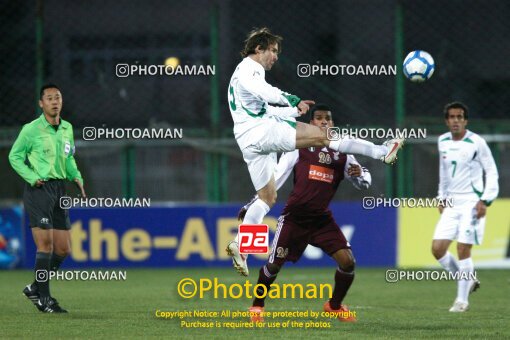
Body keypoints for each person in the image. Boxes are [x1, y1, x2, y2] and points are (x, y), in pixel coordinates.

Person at [226, 27, 404, 276]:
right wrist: (291, 99)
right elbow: (263, 91)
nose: (276, 56)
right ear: (259, 48)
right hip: (262, 132)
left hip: (248, 138)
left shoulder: (238, 76)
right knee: (323, 136)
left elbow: (261, 108)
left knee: (266, 197)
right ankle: (382, 152)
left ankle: (242, 249)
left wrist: (291, 111)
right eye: (274, 51)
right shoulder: (249, 67)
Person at [237, 104, 368, 322]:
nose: (324, 121)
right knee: (274, 264)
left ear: (332, 123)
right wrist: (254, 202)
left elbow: (363, 180)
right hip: (295, 217)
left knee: (348, 262)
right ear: (310, 123)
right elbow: (276, 177)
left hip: (321, 219)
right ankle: (257, 307)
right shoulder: (298, 146)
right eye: (318, 118)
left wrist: (360, 175)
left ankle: (334, 306)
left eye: (328, 118)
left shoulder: (342, 151)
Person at [9, 84, 86, 313]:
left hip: (60, 190)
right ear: (41, 104)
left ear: (61, 102)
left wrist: (77, 178)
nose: (54, 101)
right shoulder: (30, 129)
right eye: (49, 98)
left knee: (63, 249)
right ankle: (44, 298)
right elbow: (15, 156)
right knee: (45, 245)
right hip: (39, 190)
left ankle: (35, 287)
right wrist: (32, 177)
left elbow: (69, 157)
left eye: (58, 97)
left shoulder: (67, 128)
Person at [431, 101, 499, 312]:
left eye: (460, 117)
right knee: (438, 249)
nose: (456, 121)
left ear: (465, 120)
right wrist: (441, 196)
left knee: (462, 248)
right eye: (452, 117)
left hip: (472, 202)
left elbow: (492, 171)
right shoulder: (442, 141)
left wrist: (485, 200)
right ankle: (467, 280)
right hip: (452, 202)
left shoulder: (477, 142)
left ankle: (462, 301)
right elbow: (443, 172)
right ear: (446, 120)